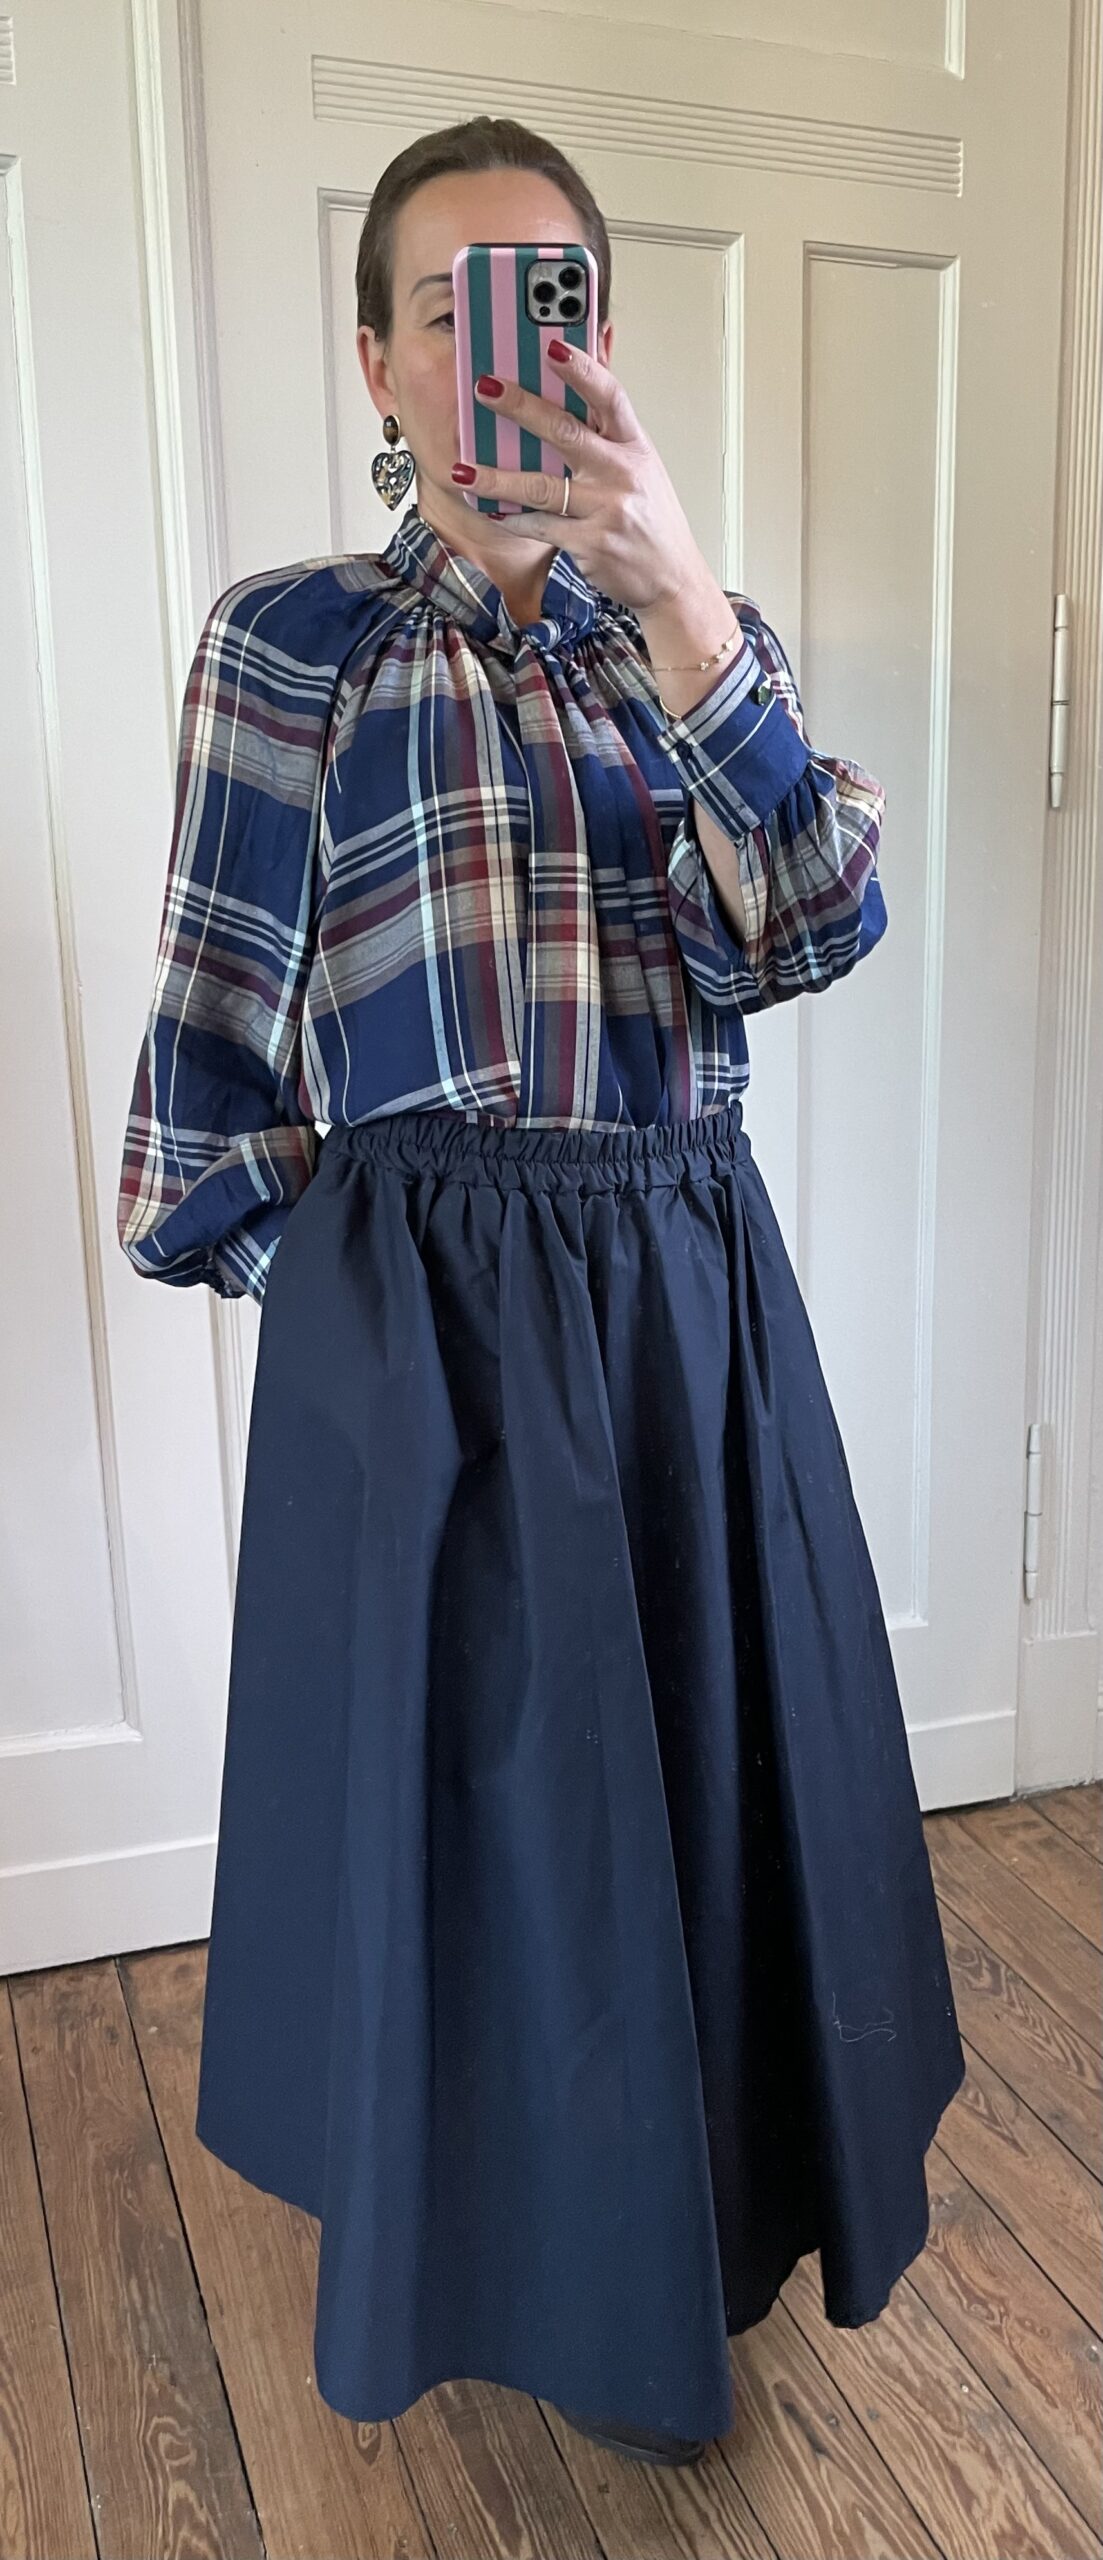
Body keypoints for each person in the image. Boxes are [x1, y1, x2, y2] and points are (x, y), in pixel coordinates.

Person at [116, 114, 966, 2471]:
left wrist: (687, 608)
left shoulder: (688, 641)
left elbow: (817, 922)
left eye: (551, 306)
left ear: (598, 344)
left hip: (686, 1313)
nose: (501, 356)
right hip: (439, 1337)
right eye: (452, 307)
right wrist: (361, 1316)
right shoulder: (293, 648)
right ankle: (498, 2268)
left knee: (700, 1807)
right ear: (381, 358)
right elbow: (205, 1073)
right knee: (490, 1851)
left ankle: (691, 2260)